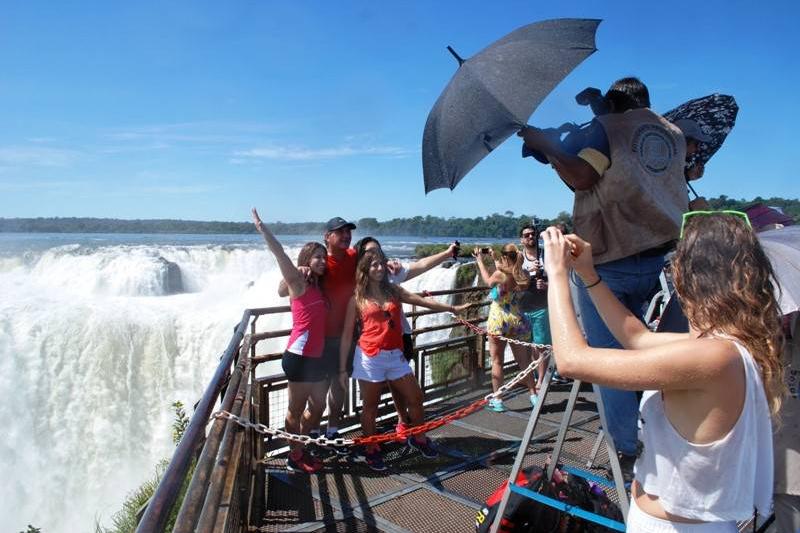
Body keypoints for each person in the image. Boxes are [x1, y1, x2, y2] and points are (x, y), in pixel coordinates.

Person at [541, 213, 783, 531]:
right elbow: (636, 338)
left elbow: (572, 361)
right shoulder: (723, 347)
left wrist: (557, 273)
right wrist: (588, 275)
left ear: (688, 278)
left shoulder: (716, 357)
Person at [518, 77, 688, 468]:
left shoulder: (610, 129)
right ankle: (664, 426)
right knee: (650, 346)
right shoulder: (671, 133)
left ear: (614, 104)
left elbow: (583, 177)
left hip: (611, 260)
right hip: (663, 257)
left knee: (607, 357)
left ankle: (628, 448)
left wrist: (545, 143)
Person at [339, 249, 469, 471]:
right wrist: (343, 368)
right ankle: (371, 448)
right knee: (370, 406)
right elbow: (346, 335)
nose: (379, 268)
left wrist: (451, 308)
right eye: (374, 265)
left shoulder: (394, 290)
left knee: (415, 397)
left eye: (381, 264)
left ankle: (419, 437)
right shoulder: (357, 298)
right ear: (365, 270)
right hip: (370, 357)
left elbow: (420, 301)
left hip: (395, 355)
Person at [353, 237, 460, 434]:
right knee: (373, 401)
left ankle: (404, 423)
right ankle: (379, 437)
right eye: (369, 253)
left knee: (403, 389)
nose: (376, 258)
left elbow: (421, 265)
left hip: (399, 339)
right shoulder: (359, 284)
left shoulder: (390, 273)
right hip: (370, 348)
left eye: (378, 252)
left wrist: (447, 253)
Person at [252, 208, 328, 474]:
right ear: (307, 259)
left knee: (318, 406)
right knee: (295, 410)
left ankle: (300, 444)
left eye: (324, 257)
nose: (323, 261)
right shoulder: (298, 283)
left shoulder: (318, 284)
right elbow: (280, 254)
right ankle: (294, 456)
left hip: (316, 357)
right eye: (318, 257)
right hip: (299, 357)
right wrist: (263, 229)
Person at [278, 216, 360, 452]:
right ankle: (309, 436)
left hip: (344, 336)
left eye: (348, 232)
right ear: (327, 236)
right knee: (316, 398)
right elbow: (282, 290)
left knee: (338, 387)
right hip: (317, 343)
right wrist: (297, 270)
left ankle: (331, 431)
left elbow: (374, 263)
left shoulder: (353, 257)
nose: (346, 236)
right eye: (340, 232)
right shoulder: (315, 265)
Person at [475, 244, 539, 412]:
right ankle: (534, 395)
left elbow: (488, 281)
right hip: (517, 319)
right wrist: (494, 257)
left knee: (497, 361)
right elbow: (509, 269)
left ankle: (498, 400)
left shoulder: (500, 274)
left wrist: (480, 261)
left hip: (499, 319)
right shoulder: (523, 274)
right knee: (524, 362)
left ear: (504, 256)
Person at [518, 224, 550, 392]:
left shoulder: (546, 255)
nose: (530, 237)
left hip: (541, 306)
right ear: (521, 240)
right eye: (527, 235)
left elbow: (559, 278)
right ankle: (532, 377)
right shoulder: (518, 258)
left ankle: (541, 380)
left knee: (541, 345)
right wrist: (528, 273)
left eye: (533, 234)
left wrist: (546, 285)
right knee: (526, 345)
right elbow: (512, 281)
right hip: (522, 307)